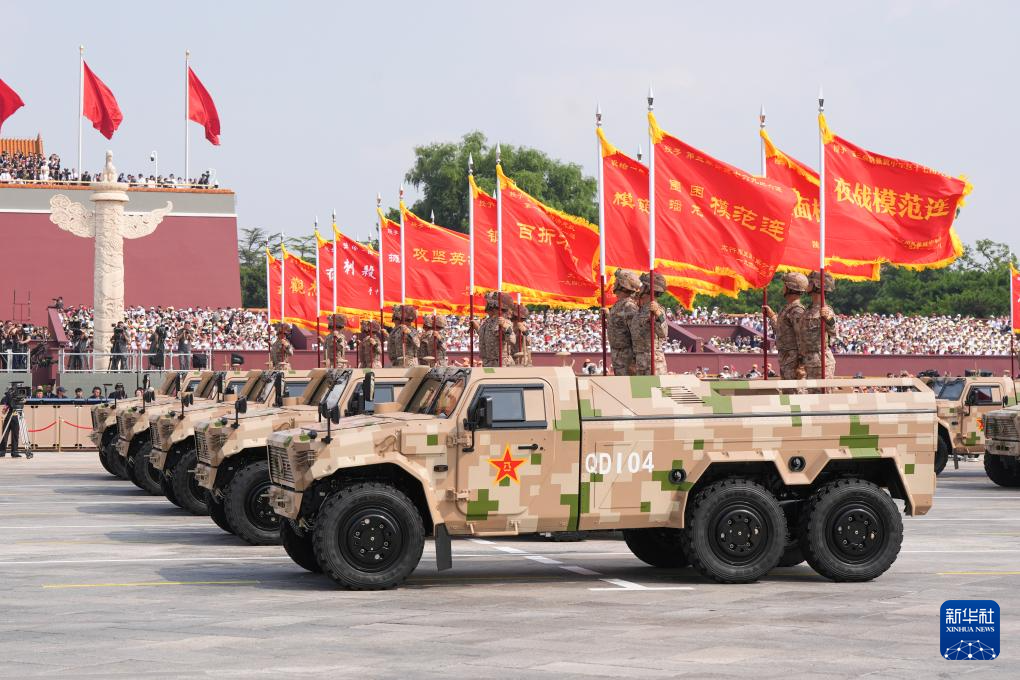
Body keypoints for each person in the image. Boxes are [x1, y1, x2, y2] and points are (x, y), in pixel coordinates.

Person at [763, 272, 810, 380]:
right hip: (787, 359)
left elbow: (802, 338)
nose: (782, 288)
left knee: (795, 389)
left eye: (785, 285)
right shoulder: (788, 308)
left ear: (790, 288)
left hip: (794, 361)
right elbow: (781, 330)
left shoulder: (797, 310)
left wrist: (801, 365)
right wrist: (772, 315)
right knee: (787, 389)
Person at [798, 271, 837, 379]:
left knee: (823, 390)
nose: (807, 284)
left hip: (821, 362)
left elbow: (834, 332)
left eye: (810, 282)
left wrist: (828, 319)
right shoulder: (808, 310)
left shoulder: (826, 310)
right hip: (808, 362)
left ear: (817, 285)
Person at [628, 272, 668, 376]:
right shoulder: (641, 310)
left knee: (655, 387)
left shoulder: (657, 309)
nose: (640, 288)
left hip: (653, 360)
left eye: (642, 285)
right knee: (642, 387)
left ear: (648, 289)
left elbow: (663, 333)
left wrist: (657, 313)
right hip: (640, 360)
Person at [608, 269, 641, 376]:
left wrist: (634, 362)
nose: (614, 283)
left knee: (631, 386)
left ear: (622, 285)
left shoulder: (629, 306)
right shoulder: (619, 304)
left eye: (616, 281)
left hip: (627, 358)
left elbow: (636, 335)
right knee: (621, 385)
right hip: (619, 356)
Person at [478, 292, 516, 367]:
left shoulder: (504, 321)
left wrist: (505, 326)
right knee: (487, 375)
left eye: (489, 303)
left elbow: (512, 340)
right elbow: (485, 336)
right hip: (488, 363)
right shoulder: (487, 322)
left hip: (501, 363)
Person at [0, 388, 27, 458]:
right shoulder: (8, 399)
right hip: (9, 416)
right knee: (5, 434)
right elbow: (3, 411)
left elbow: (23, 403)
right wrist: (7, 406)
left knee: (15, 436)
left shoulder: (21, 398)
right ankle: (2, 451)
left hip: (17, 417)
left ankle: (14, 452)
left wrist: (22, 401)